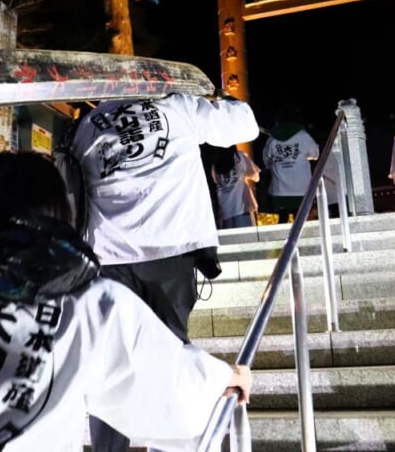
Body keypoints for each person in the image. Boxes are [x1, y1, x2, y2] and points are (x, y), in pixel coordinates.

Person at [0, 91, 252, 451]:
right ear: (56, 218)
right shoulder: (89, 307)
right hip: (169, 253)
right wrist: (223, 380)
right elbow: (164, 379)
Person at [70, 91, 259, 452]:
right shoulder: (177, 106)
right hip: (169, 252)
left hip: (107, 256)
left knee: (109, 361)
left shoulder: (89, 124)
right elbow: (244, 124)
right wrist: (222, 99)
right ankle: (175, 444)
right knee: (171, 357)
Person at [262, 105, 320, 224]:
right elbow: (315, 154)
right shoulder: (303, 135)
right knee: (300, 218)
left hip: (279, 190)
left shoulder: (273, 138)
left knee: (282, 218)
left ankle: (282, 237)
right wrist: (302, 157)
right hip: (301, 188)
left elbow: (266, 160)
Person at [209, 145, 261, 229]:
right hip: (242, 207)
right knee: (247, 238)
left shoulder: (215, 163)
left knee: (232, 240)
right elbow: (255, 176)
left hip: (225, 211)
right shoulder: (239, 156)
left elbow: (215, 181)